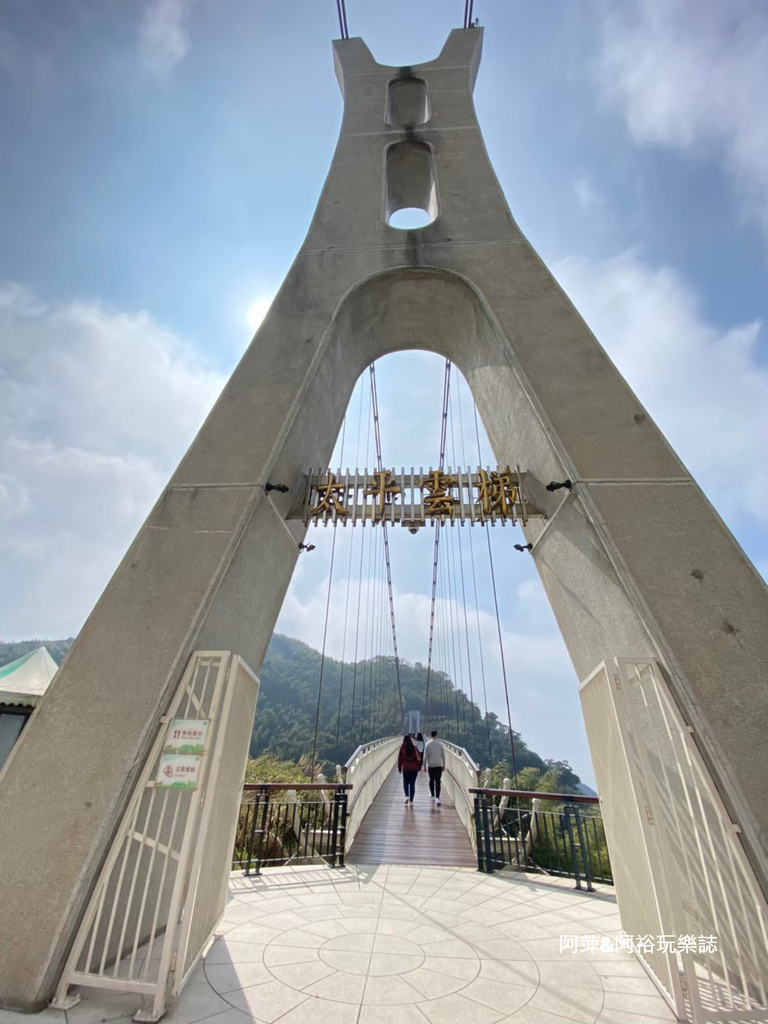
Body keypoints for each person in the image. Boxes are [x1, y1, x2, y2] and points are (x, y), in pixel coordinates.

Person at [397, 734, 422, 805]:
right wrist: (419, 767)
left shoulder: (402, 748)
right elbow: (419, 758)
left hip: (405, 768)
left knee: (405, 782)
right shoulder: (414, 748)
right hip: (414, 769)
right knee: (412, 784)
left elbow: (400, 759)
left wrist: (399, 768)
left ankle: (406, 796)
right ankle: (411, 801)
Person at [423, 729, 445, 805]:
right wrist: (444, 765)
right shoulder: (440, 744)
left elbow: (425, 756)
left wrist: (424, 765)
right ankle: (437, 798)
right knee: (438, 781)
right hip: (438, 765)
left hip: (431, 766)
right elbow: (443, 756)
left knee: (431, 780)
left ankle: (432, 794)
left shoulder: (427, 744)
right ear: (436, 735)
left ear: (430, 735)